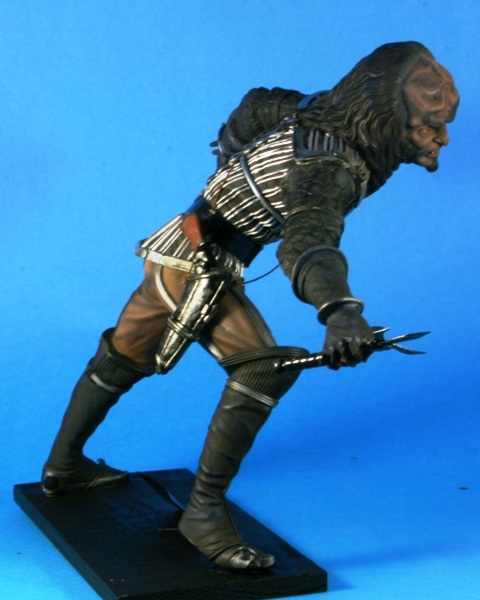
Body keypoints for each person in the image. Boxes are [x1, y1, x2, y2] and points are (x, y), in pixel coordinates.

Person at [41, 42, 459, 570]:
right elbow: (307, 242)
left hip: (181, 242)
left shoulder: (310, 109)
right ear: (387, 117)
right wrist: (340, 311)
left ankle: (63, 468)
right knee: (262, 369)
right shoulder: (331, 165)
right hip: (197, 263)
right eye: (428, 126)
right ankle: (202, 513)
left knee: (125, 353)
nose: (442, 139)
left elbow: (255, 105)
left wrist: (225, 172)